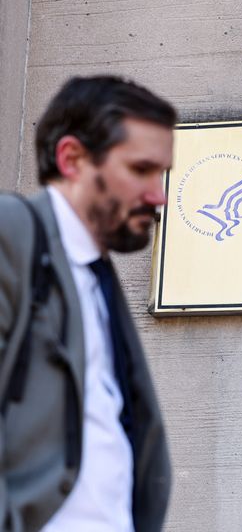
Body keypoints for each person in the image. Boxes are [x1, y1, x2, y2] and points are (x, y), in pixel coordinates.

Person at [0, 76, 175, 531]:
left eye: (162, 173)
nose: (158, 195)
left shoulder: (98, 280)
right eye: (141, 169)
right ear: (72, 159)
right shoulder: (11, 231)